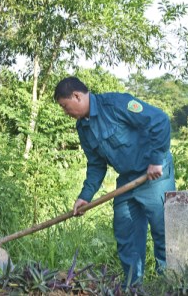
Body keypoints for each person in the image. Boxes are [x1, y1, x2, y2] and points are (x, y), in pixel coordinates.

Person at [54, 76, 175, 287]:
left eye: (65, 106)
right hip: (127, 181)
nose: (66, 112)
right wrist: (85, 196)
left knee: (163, 232)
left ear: (77, 96)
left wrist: (156, 160)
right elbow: (96, 165)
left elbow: (160, 120)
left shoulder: (117, 104)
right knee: (126, 234)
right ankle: (133, 288)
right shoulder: (83, 127)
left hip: (154, 175)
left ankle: (171, 286)